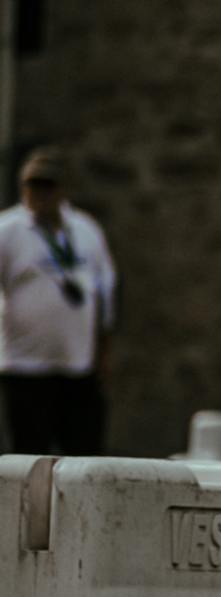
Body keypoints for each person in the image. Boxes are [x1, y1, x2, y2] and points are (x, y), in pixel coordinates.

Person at [0, 147, 118, 454]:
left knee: (84, 455)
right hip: (25, 366)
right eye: (32, 185)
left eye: (46, 185)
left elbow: (105, 289)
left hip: (77, 365)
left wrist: (103, 350)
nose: (39, 193)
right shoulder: (8, 230)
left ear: (61, 189)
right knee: (29, 457)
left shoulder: (85, 229)